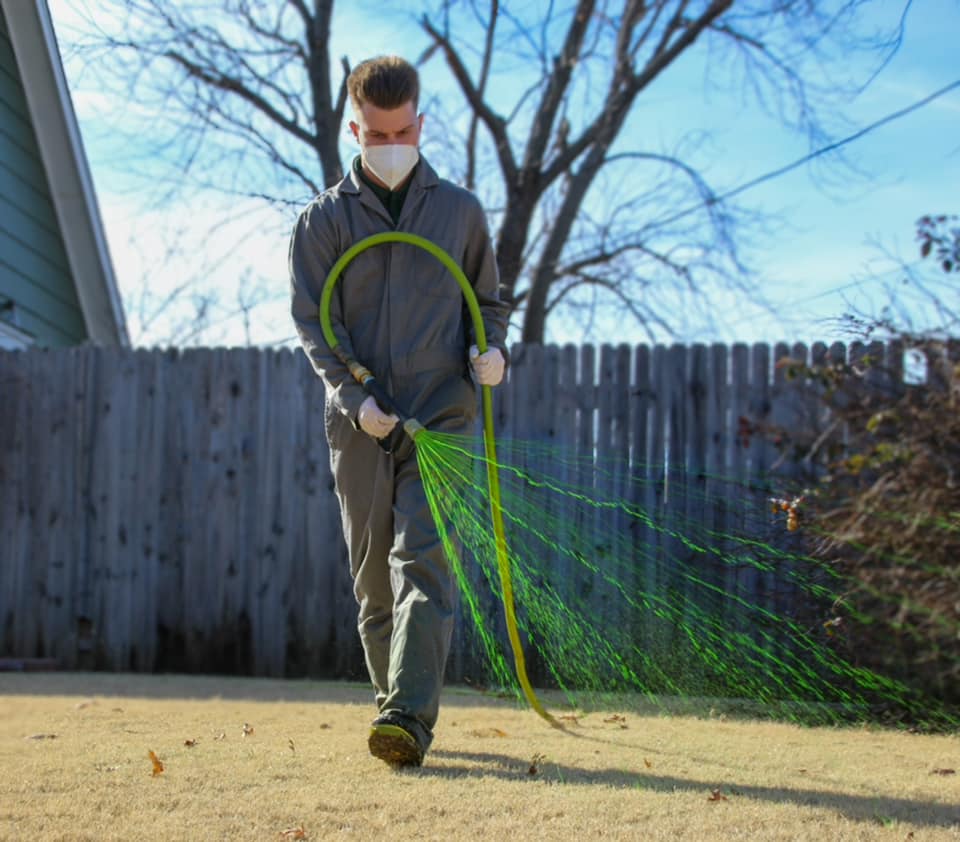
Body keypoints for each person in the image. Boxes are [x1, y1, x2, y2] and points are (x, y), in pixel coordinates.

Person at [289, 55, 509, 768]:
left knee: (424, 558)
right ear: (356, 128)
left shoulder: (460, 211)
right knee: (373, 582)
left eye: (403, 130)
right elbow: (314, 325)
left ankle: (409, 716)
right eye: (376, 133)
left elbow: (488, 302)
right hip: (362, 423)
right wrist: (354, 400)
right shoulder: (322, 221)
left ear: (420, 122)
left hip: (443, 409)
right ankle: (395, 709)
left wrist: (493, 351)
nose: (391, 143)